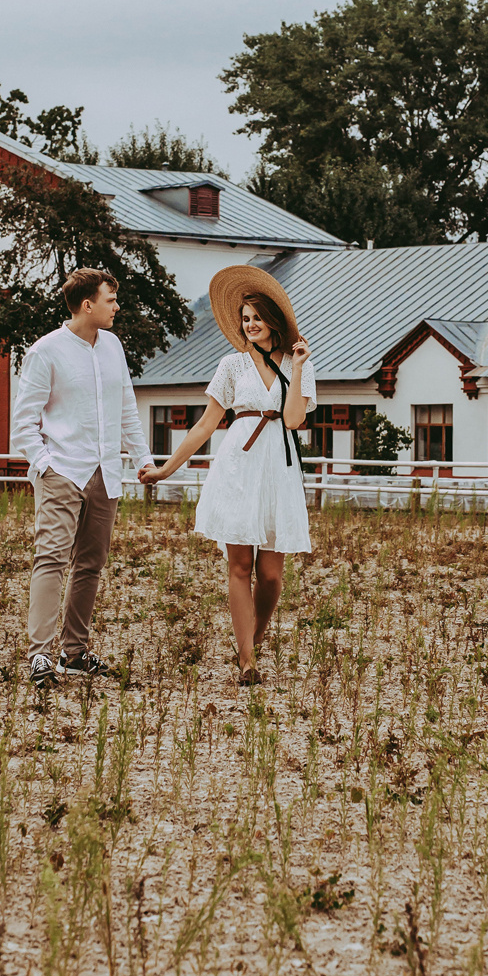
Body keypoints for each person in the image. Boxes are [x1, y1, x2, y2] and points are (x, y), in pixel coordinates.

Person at [139, 266, 315, 685]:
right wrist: (165, 469)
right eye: (245, 318)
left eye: (257, 317)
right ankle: (247, 660)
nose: (250, 324)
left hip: (278, 470)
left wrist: (299, 367)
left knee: (270, 574)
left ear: (273, 320)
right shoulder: (232, 365)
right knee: (240, 566)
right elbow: (205, 425)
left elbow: (294, 420)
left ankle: (254, 635)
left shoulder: (298, 364)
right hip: (238, 466)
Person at [11, 267, 153, 687]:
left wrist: (143, 458)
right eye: (111, 299)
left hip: (106, 472)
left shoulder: (113, 347)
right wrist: (45, 465)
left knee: (91, 564)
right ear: (87, 305)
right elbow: (23, 421)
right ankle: (40, 656)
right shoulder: (45, 352)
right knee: (51, 559)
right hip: (63, 471)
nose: (116, 306)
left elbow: (127, 408)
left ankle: (74, 653)